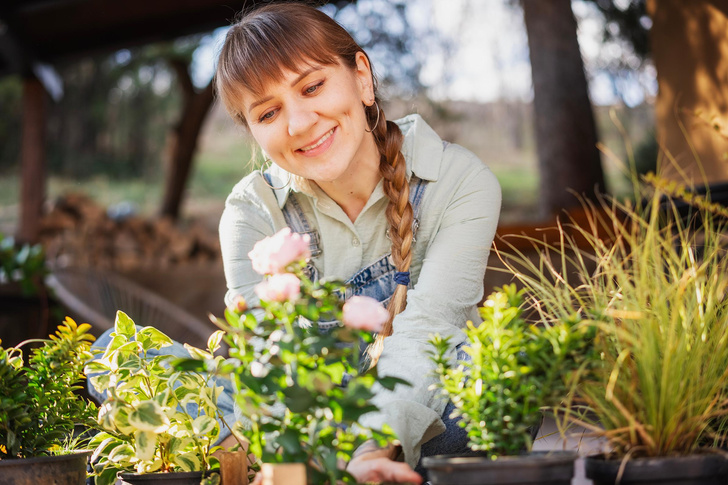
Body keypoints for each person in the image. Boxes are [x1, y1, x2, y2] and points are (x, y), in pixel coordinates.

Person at [214, 3, 501, 483]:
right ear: (255, 133)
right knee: (141, 366)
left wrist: (372, 445)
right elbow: (265, 357)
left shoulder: (457, 179)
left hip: (424, 411)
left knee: (493, 390)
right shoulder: (252, 211)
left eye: (312, 86)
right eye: (268, 112)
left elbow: (432, 324)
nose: (300, 123)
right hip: (310, 422)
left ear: (362, 77)